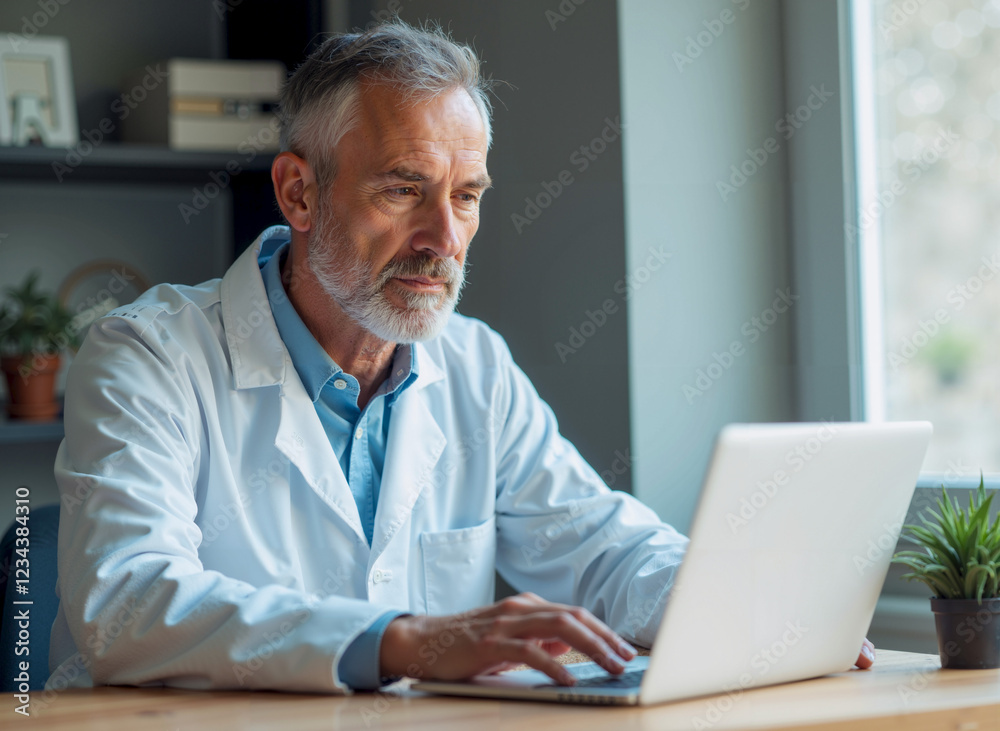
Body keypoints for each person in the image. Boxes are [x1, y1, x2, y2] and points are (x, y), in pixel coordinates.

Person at [47, 20, 874, 694]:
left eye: (467, 196)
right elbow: (128, 603)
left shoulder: (473, 364)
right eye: (404, 188)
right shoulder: (146, 355)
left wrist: (756, 603)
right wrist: (404, 642)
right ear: (299, 192)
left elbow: (600, 546)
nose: (444, 238)